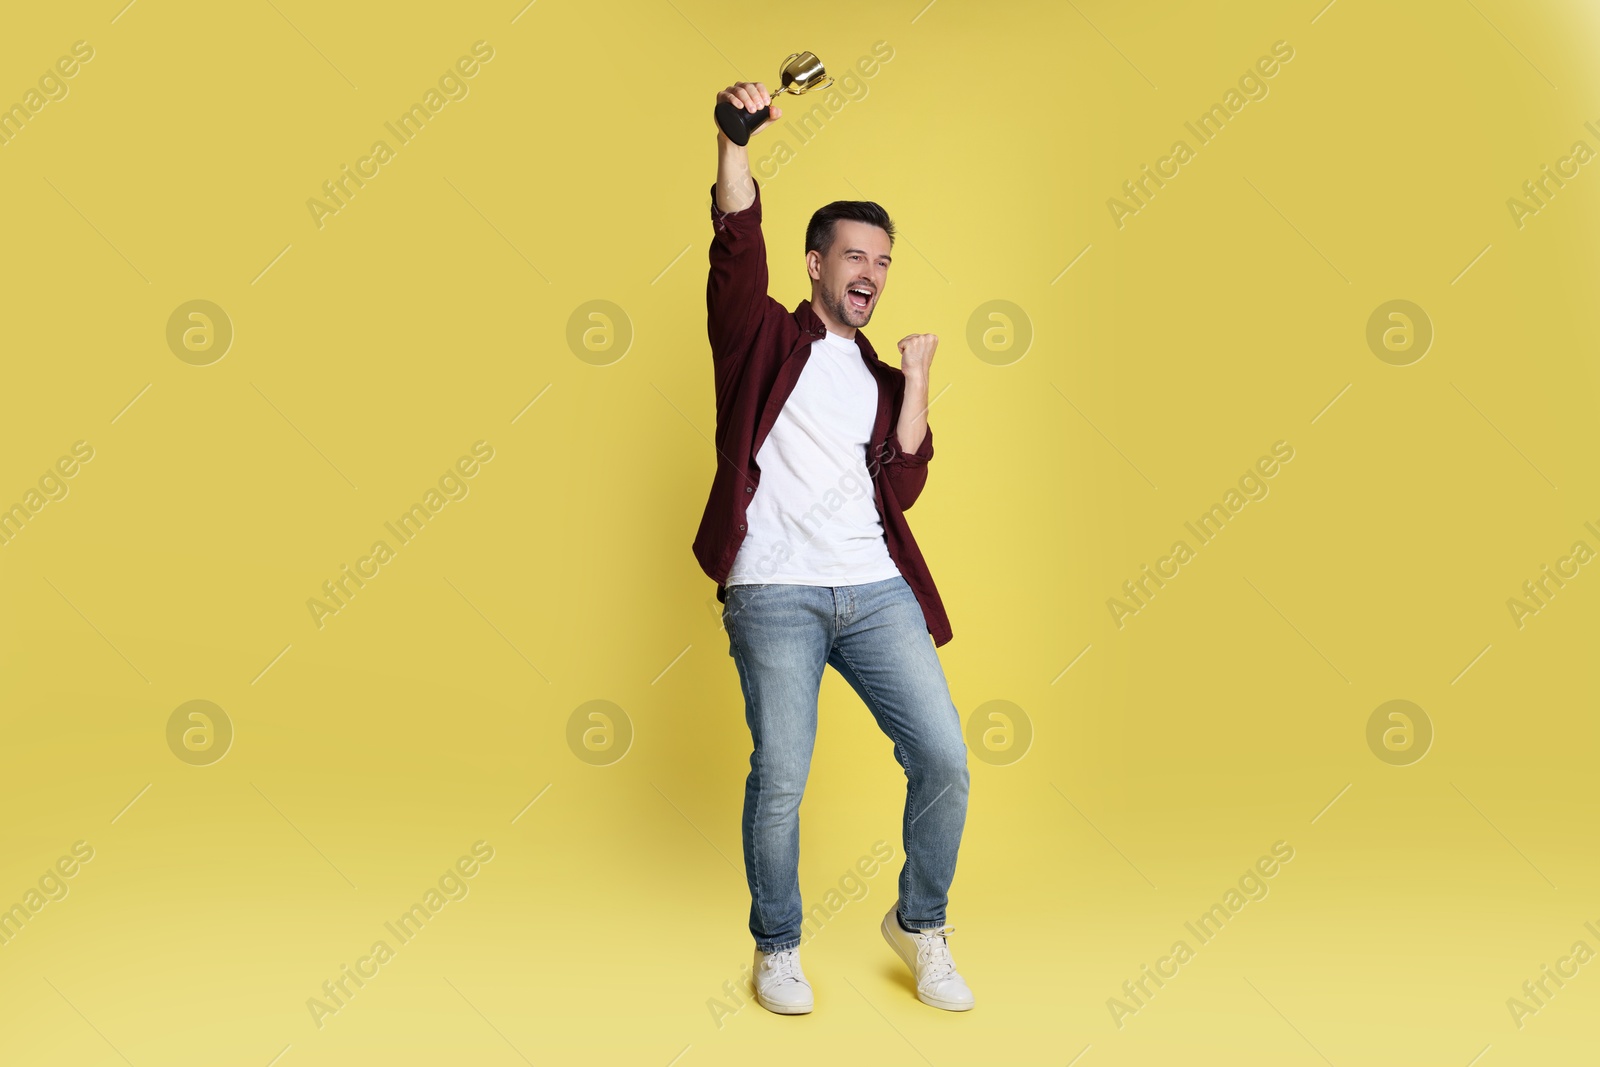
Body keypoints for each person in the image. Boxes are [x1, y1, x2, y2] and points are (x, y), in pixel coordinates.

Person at [692, 79, 974, 1015]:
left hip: (874, 589)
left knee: (943, 758)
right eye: (855, 254)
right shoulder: (763, 338)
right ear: (816, 264)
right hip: (774, 587)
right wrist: (737, 145)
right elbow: (736, 247)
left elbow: (905, 479)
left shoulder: (883, 376)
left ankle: (919, 923)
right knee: (781, 775)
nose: (873, 271)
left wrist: (922, 380)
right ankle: (777, 946)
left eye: (884, 260)